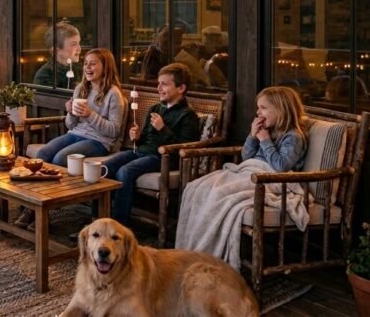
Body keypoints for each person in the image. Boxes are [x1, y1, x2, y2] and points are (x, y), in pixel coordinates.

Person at [174, 86, 309, 267]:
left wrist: (264, 140)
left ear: (281, 109)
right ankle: (190, 249)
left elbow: (281, 167)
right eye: (258, 107)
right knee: (196, 187)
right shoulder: (267, 130)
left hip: (269, 179)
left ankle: (209, 256)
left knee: (220, 195)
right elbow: (246, 156)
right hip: (249, 171)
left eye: (263, 108)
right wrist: (253, 136)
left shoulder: (293, 136)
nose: (258, 112)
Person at [14, 48, 125, 228]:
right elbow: (70, 125)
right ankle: (32, 206)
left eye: (93, 63)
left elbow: (113, 131)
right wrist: (70, 112)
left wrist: (90, 114)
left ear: (106, 67)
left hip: (99, 142)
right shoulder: (81, 89)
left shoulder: (114, 94)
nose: (87, 67)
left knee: (60, 159)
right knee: (42, 154)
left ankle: (47, 211)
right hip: (75, 134)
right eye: (86, 63)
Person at [103, 63, 200, 227]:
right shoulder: (155, 108)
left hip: (162, 157)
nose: (159, 88)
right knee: (104, 168)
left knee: (125, 171)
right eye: (158, 83)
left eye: (164, 84)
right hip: (142, 151)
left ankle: (119, 226)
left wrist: (163, 129)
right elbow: (145, 140)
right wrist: (136, 137)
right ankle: (99, 219)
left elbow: (185, 148)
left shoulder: (188, 115)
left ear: (181, 88)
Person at [33, 21, 82, 89]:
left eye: (79, 43)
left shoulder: (77, 69)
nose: (79, 48)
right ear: (56, 50)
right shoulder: (44, 76)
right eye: (73, 44)